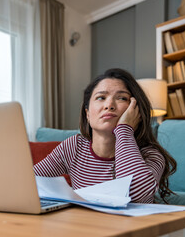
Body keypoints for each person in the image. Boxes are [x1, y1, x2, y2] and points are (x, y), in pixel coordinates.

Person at [34, 68, 177, 203]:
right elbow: (29, 181)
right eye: (101, 97)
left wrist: (124, 129)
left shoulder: (151, 155)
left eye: (121, 98)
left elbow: (133, 196)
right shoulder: (74, 147)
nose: (109, 105)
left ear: (136, 112)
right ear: (88, 114)